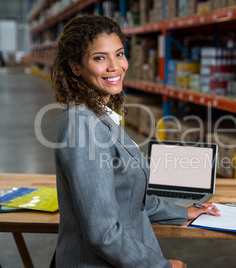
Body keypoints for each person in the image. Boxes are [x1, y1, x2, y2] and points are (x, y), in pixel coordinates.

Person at [50, 14, 220, 268]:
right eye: (100, 58)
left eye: (119, 54)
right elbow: (102, 235)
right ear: (76, 66)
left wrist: (184, 212)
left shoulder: (100, 115)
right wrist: (161, 267)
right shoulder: (83, 126)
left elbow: (131, 198)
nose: (114, 66)